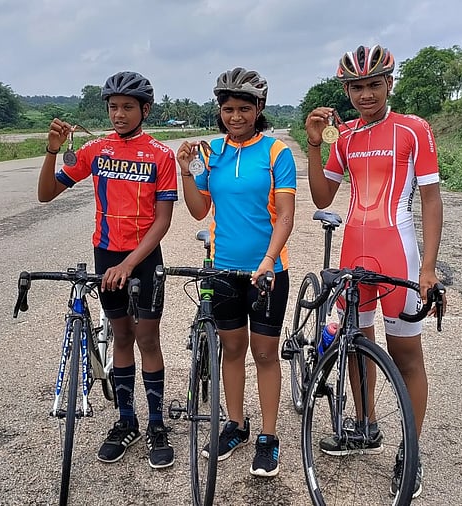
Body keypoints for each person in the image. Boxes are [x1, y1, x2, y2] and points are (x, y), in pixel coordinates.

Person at [304, 45, 447, 498]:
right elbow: (324, 197)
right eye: (357, 86)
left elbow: (431, 200)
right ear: (346, 90)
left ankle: (412, 452)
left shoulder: (413, 129)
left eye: (373, 84)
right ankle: (365, 427)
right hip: (355, 254)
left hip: (398, 250)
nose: (366, 94)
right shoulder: (342, 136)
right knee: (356, 346)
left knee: (407, 357)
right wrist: (312, 143)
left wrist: (428, 266)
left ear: (389, 84)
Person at [37, 71, 178, 470]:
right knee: (121, 336)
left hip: (144, 257)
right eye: (113, 107)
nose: (118, 114)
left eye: (127, 107)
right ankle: (126, 421)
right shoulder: (97, 150)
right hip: (105, 254)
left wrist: (129, 264)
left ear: (144, 110)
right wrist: (51, 151)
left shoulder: (161, 155)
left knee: (147, 338)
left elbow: (163, 222)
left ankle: (155, 424)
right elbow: (46, 195)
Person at [175, 67, 296, 478]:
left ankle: (268, 436)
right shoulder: (212, 152)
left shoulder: (276, 152)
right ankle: (236, 425)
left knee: (264, 353)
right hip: (223, 268)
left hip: (267, 271)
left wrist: (268, 259)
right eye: (228, 109)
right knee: (232, 350)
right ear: (220, 110)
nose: (236, 116)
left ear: (258, 108)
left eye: (244, 108)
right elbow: (198, 209)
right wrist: (185, 169)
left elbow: (284, 216)